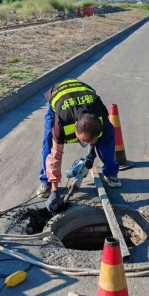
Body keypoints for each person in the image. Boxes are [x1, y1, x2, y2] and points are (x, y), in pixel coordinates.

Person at [36, 78, 121, 212]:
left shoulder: (99, 109)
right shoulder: (61, 121)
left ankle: (111, 172)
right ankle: (47, 181)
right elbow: (55, 157)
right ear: (75, 125)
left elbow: (99, 133)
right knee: (48, 141)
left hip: (83, 93)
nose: (83, 143)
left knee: (108, 136)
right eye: (82, 140)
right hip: (59, 95)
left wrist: (92, 150)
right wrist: (54, 190)